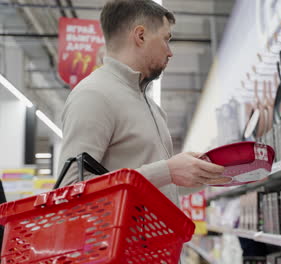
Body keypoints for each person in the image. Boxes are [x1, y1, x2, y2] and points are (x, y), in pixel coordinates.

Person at [58, 0, 230, 205]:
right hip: (120, 238)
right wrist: (166, 171)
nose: (170, 52)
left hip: (158, 236)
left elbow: (152, 185)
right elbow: (68, 191)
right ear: (140, 36)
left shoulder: (149, 105)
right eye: (166, 39)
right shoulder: (94, 95)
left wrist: (199, 174)